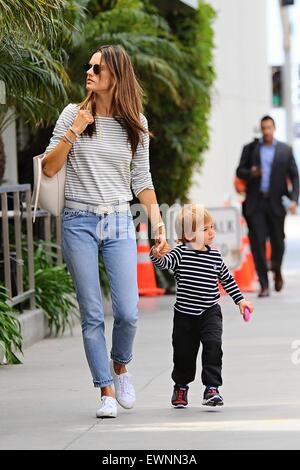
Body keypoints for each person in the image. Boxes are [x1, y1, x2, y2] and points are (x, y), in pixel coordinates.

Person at [42, 44, 168, 418]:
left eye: (98, 68)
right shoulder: (72, 114)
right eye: (89, 66)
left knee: (128, 312)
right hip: (77, 220)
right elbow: (49, 168)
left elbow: (141, 180)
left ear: (116, 75)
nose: (90, 72)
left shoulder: (135, 124)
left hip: (117, 221)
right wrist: (74, 133)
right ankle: (106, 391)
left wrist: (158, 225)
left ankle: (120, 364)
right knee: (93, 313)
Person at [150, 204, 253, 408]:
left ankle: (212, 388)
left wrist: (240, 300)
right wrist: (156, 253)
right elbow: (163, 263)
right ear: (188, 234)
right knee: (183, 353)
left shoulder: (214, 255)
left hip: (210, 312)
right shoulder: (179, 254)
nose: (211, 232)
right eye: (205, 229)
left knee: (213, 346)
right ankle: (181, 386)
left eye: (212, 227)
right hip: (184, 315)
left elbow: (227, 279)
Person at [236, 116, 299, 298]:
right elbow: (239, 171)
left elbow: (294, 176)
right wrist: (251, 173)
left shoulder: (285, 151)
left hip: (276, 203)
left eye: (269, 127)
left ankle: (277, 269)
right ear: (261, 129)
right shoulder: (251, 149)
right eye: (263, 128)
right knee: (258, 243)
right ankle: (264, 284)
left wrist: (294, 199)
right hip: (256, 203)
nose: (266, 131)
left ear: (274, 128)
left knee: (278, 242)